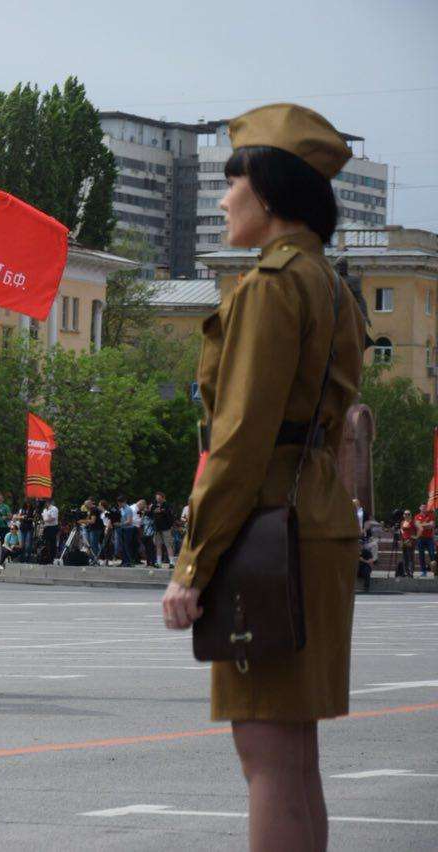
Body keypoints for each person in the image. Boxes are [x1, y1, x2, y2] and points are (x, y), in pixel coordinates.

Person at [161, 103, 366, 851]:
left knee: (267, 756)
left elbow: (241, 440)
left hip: (269, 529)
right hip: (316, 520)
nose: (221, 200)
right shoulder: (332, 284)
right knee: (294, 753)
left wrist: (193, 565)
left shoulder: (268, 287)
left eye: (232, 181)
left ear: (270, 191)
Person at [414, 503, 433, 576]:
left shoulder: (430, 516)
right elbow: (418, 526)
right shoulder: (417, 516)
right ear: (420, 508)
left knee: (432, 554)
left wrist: (422, 524)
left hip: (429, 538)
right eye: (422, 507)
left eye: (425, 507)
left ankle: (434, 569)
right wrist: (426, 525)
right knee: (421, 555)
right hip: (420, 538)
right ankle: (423, 571)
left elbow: (432, 525)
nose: (424, 508)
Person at [398, 510, 415, 578]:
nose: (406, 515)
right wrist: (401, 541)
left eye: (408, 514)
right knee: (405, 558)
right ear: (403, 515)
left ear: (410, 515)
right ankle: (407, 572)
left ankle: (411, 573)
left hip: (410, 541)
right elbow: (401, 532)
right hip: (404, 541)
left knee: (411, 557)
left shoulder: (413, 522)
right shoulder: (402, 522)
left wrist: (410, 540)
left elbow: (415, 532)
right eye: (405, 514)